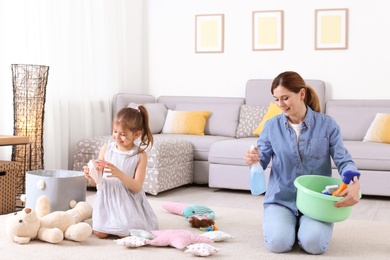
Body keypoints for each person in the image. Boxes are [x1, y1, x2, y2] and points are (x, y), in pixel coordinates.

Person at [244, 71, 361, 254]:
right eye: (276, 99)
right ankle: (288, 225)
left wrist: (353, 181)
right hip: (281, 199)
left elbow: (343, 159)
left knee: (314, 245)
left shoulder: (327, 125)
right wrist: (254, 158)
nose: (280, 104)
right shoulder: (271, 126)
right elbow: (262, 158)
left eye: (285, 98)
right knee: (278, 244)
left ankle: (305, 227)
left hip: (316, 200)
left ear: (302, 94)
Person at [84, 106, 158, 238]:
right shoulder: (106, 148)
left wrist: (120, 174)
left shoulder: (139, 155)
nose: (117, 137)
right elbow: (98, 181)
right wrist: (91, 175)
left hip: (126, 201)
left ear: (136, 135)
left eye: (123, 134)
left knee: (124, 233)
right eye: (115, 131)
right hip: (107, 198)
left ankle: (128, 223)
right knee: (100, 233)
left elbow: (137, 187)